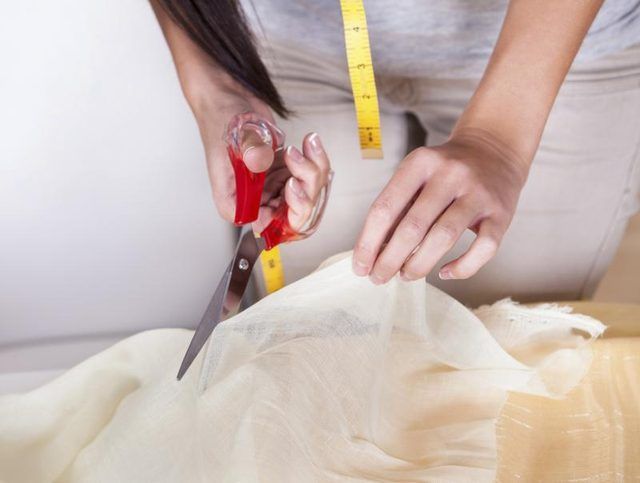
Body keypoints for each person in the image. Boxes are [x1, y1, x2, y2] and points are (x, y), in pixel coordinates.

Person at [150, 0, 640, 307]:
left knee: (502, 349)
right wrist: (217, 90)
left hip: (555, 38)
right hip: (296, 36)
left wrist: (499, 141)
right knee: (312, 329)